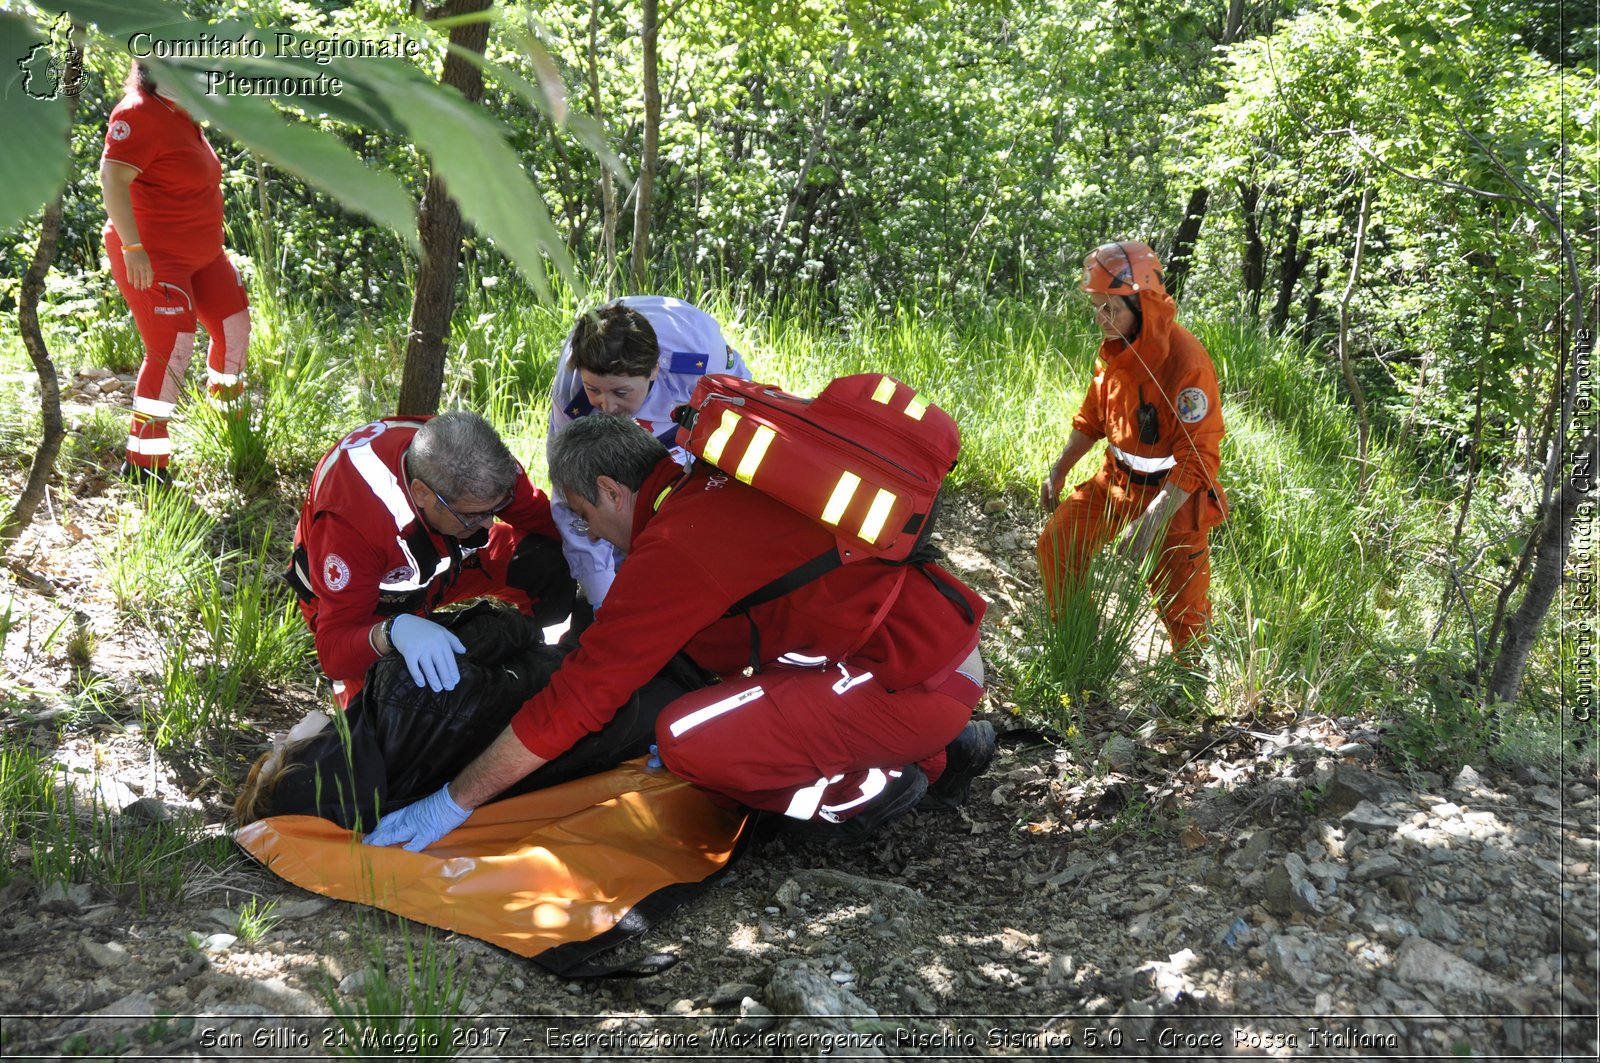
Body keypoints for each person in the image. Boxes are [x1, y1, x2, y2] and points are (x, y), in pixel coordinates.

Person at [363, 414, 996, 852]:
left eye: (584, 517)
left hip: (906, 681)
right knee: (717, 702)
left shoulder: (675, 548)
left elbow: (579, 699)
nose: (590, 536)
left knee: (687, 738)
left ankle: (867, 791)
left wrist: (454, 800)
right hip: (928, 648)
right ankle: (943, 752)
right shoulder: (703, 479)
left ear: (612, 490)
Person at [285, 411, 574, 708]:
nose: (489, 524)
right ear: (421, 493)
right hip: (369, 599)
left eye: (496, 509)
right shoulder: (351, 526)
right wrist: (391, 632)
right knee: (384, 722)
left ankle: (533, 655)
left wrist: (607, 556)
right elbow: (335, 653)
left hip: (444, 559)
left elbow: (540, 518)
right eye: (473, 514)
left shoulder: (475, 460)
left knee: (544, 564)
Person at [1037, 240, 1228, 658]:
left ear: (1142, 306)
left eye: (1112, 309)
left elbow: (1200, 458)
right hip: (1115, 485)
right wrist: (1061, 467)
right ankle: (1076, 650)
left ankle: (1189, 684)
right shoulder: (1115, 349)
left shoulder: (1185, 361)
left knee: (1184, 607)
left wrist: (1152, 521)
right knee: (1057, 544)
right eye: (1097, 308)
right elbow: (1092, 417)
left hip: (1175, 499)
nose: (1101, 319)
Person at [100, 61, 251, 485]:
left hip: (204, 253)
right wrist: (133, 248)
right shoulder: (137, 112)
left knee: (234, 327)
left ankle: (230, 420)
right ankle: (145, 462)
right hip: (153, 254)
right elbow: (112, 179)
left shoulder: (182, 112)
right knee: (173, 349)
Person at [547, 296, 750, 608]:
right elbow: (570, 497)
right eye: (595, 390)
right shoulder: (571, 393)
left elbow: (740, 436)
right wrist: (602, 598)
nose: (607, 405)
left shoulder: (701, 364)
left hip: (687, 421)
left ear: (654, 370)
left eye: (620, 392)